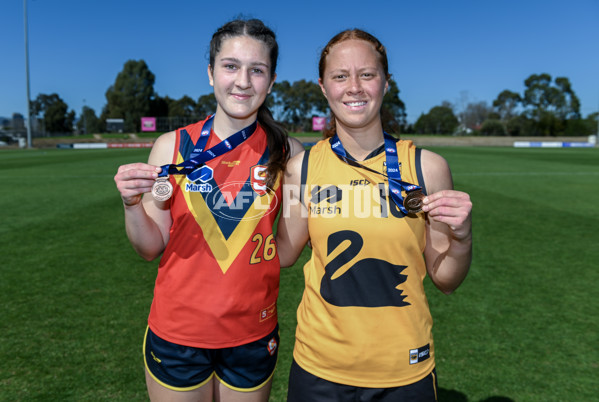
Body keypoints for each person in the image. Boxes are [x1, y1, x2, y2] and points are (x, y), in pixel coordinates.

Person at [276, 29, 472, 401]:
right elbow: (283, 254)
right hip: (318, 368)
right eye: (340, 76)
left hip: (403, 369)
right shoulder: (300, 170)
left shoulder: (427, 168)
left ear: (386, 83)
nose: (354, 87)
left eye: (367, 74)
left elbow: (446, 279)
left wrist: (463, 239)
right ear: (323, 86)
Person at [114, 18, 303, 402]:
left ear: (272, 80)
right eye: (231, 66)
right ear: (210, 72)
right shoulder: (172, 147)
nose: (243, 81)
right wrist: (131, 205)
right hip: (177, 333)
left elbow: (285, 253)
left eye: (257, 70)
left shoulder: (290, 155)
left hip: (253, 332)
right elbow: (150, 247)